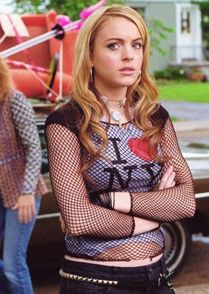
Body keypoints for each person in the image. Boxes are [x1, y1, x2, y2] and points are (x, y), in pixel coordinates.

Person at [45, 4, 196, 294]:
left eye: (136, 45)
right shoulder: (66, 121)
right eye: (114, 45)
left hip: (157, 278)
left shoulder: (154, 117)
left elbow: (186, 201)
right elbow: (78, 218)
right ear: (89, 55)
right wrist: (157, 208)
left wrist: (112, 200)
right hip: (95, 282)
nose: (129, 55)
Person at [0, 56, 48, 294]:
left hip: (22, 192)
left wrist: (27, 191)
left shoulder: (13, 100)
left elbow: (33, 148)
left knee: (12, 263)